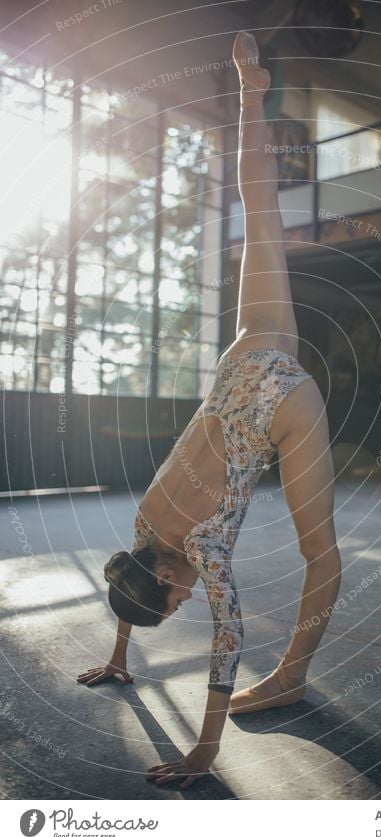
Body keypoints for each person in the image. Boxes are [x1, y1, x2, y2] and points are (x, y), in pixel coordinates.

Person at [77, 31, 342, 789]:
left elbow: (226, 643)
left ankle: (291, 674)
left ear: (169, 575)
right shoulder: (146, 522)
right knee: (257, 211)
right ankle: (249, 89)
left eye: (176, 597)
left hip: (286, 402)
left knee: (319, 552)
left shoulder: (199, 554)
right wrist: (122, 659)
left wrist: (204, 752)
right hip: (245, 356)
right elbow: (129, 579)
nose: (189, 596)